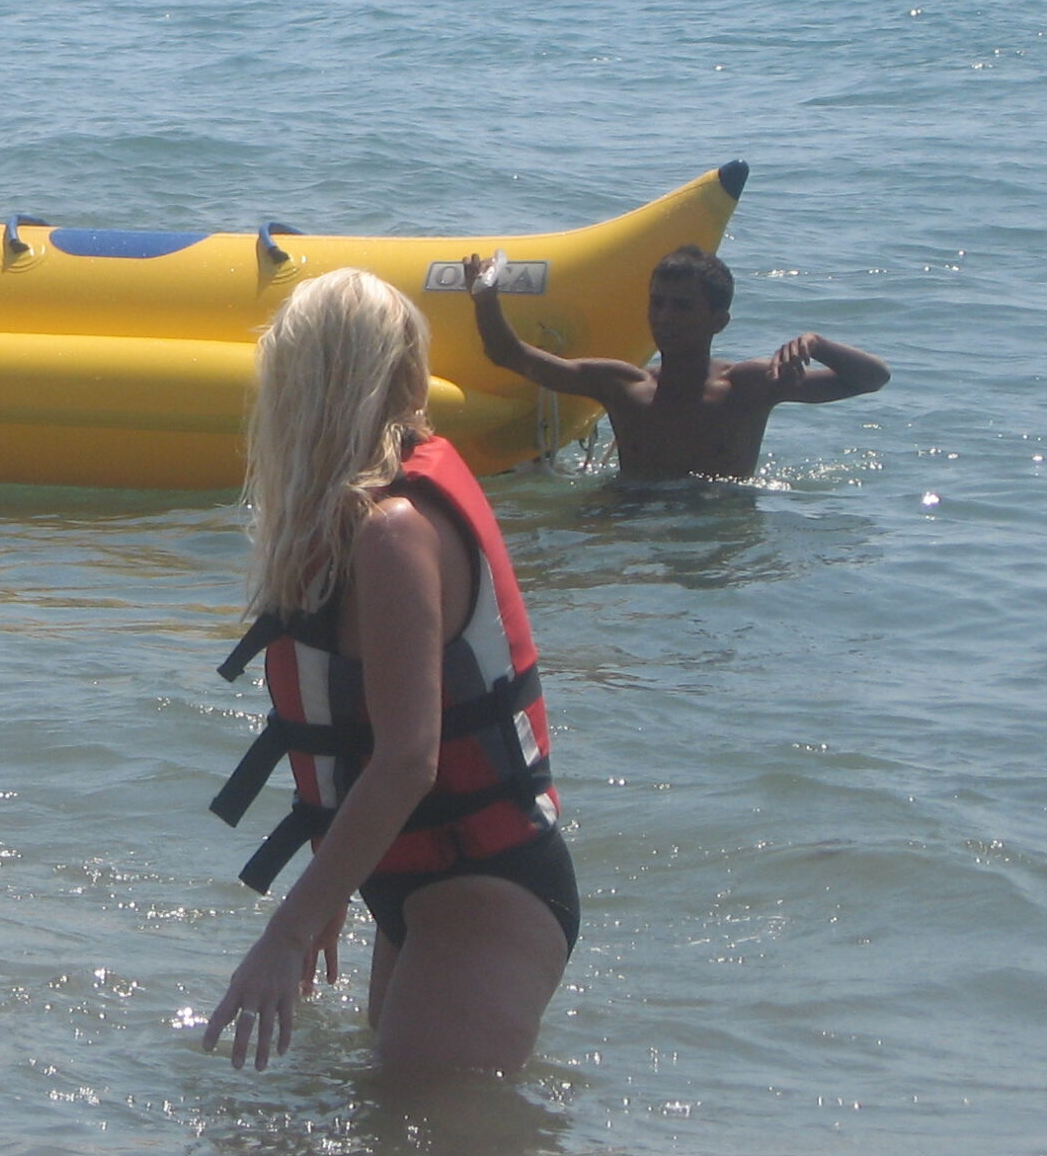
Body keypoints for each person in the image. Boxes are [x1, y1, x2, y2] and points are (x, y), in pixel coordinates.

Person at [205, 268, 573, 1075]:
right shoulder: (363, 523)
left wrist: (290, 929)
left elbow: (410, 758)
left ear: (306, 388)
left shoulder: (396, 532)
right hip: (429, 889)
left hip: (485, 889)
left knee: (425, 1136)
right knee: (398, 1142)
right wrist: (338, 883)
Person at [463, 244, 890, 482]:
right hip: (629, 517)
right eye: (658, 303)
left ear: (718, 321)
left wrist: (816, 343)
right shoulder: (623, 386)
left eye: (682, 306)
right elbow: (510, 355)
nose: (665, 317)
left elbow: (872, 378)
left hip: (716, 525)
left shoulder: (748, 387)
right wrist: (485, 298)